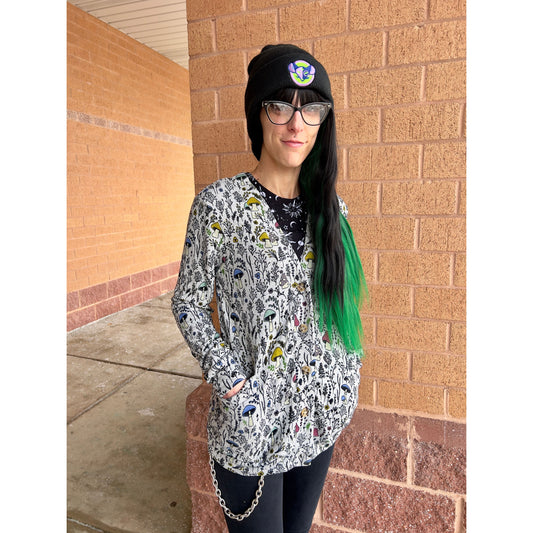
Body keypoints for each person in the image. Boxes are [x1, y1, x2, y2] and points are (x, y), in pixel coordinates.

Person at [172, 43, 367, 533]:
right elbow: (188, 303)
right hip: (251, 427)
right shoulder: (219, 205)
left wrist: (347, 378)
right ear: (257, 115)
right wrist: (236, 389)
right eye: (281, 106)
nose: (296, 124)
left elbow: (340, 303)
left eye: (311, 109)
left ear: (323, 122)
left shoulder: (331, 209)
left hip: (318, 417)